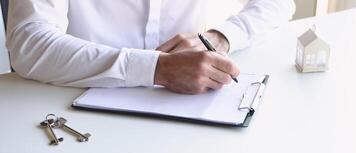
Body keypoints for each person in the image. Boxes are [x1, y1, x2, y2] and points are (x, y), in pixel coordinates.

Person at [6, 0, 295, 94]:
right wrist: (157, 68)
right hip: (76, 101)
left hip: (193, 106)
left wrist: (222, 36)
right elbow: (29, 41)